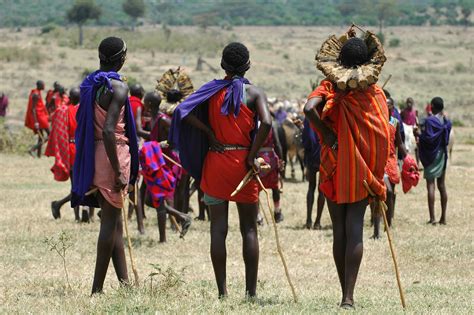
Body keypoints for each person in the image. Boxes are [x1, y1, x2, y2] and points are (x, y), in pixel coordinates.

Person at [169, 42, 272, 298]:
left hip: (216, 160)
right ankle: (250, 293)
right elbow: (267, 123)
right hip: (243, 166)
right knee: (249, 228)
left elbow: (182, 110)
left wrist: (208, 132)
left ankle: (222, 293)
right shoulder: (255, 93)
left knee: (218, 229)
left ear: (223, 65)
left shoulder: (211, 91)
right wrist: (252, 154)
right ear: (248, 65)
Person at [304, 35, 390, 309]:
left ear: (339, 62)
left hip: (334, 164)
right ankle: (348, 298)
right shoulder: (374, 93)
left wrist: (327, 134)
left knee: (339, 229)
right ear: (367, 63)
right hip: (361, 169)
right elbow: (382, 136)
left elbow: (308, 109)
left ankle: (345, 293)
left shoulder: (330, 86)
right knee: (355, 229)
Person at [71, 37, 139, 294]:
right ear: (121, 59)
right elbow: (110, 130)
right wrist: (121, 171)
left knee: (115, 223)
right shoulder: (117, 88)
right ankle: (96, 289)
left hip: (93, 152)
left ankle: (125, 285)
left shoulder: (90, 85)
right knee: (109, 224)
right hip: (112, 154)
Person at [141, 91, 192, 241]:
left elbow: (176, 137)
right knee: (149, 200)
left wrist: (162, 144)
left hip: (166, 161)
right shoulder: (154, 119)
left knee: (158, 198)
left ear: (149, 104)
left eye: (145, 102)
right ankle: (182, 216)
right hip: (156, 159)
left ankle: (163, 238)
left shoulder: (163, 120)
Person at [371, 97, 407, 239]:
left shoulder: (395, 122)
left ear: (392, 108)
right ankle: (376, 231)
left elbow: (399, 142)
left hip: (391, 161)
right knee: (379, 194)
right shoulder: (375, 120)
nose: (386, 107)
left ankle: (388, 224)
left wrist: (407, 157)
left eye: (388, 106)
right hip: (378, 160)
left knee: (391, 194)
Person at [416, 97, 451, 225]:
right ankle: (443, 218)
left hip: (432, 155)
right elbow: (445, 139)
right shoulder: (446, 122)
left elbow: (428, 139)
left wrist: (419, 134)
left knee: (431, 185)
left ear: (432, 106)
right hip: (442, 155)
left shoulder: (430, 121)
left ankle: (432, 218)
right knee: (442, 185)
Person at [257, 118, 284, 224]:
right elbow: (277, 143)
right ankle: (277, 212)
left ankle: (258, 216)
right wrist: (281, 160)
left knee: (256, 188)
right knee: (275, 187)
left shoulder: (253, 125)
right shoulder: (270, 125)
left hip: (258, 159)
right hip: (271, 160)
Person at [300, 118, 325, 230]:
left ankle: (308, 221)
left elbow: (308, 137)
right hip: (324, 154)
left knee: (311, 187)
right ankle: (317, 222)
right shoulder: (325, 113)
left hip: (312, 156)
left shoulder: (309, 116)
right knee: (322, 190)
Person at [25, 80, 50, 158]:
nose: (44, 86)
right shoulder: (35, 94)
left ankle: (38, 155)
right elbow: (33, 109)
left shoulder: (37, 93)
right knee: (50, 134)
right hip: (40, 118)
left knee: (41, 136)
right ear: (39, 85)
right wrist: (36, 122)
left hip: (40, 117)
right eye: (43, 84)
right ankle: (32, 149)